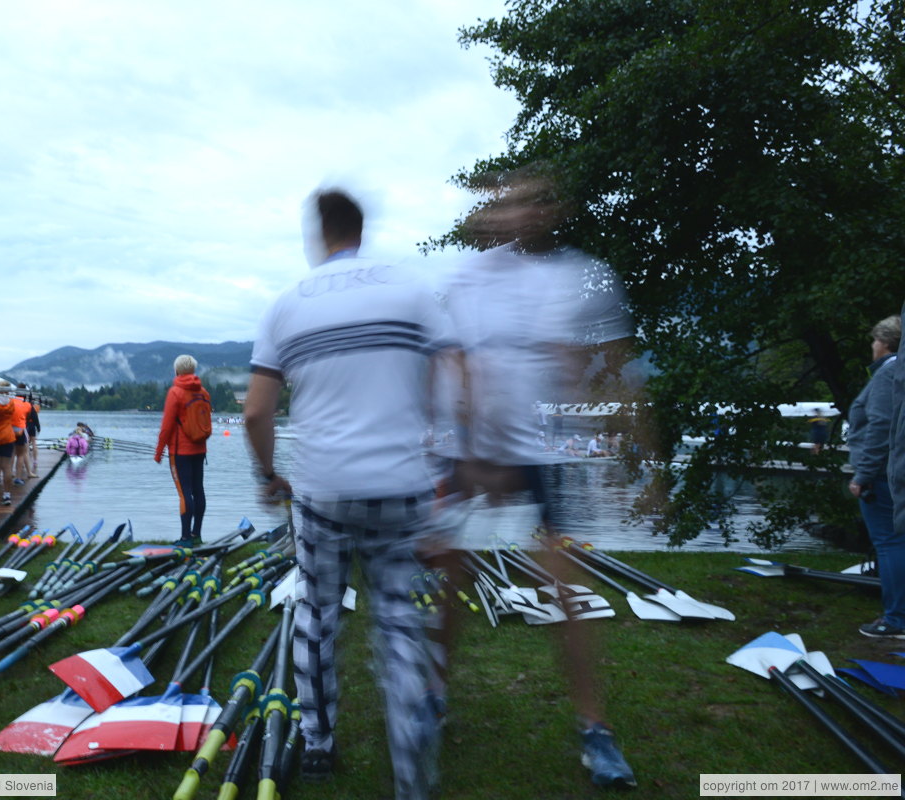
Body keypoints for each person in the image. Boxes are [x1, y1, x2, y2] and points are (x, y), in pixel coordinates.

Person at [245, 189, 451, 799]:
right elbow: (453, 383)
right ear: (361, 231)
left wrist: (267, 476)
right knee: (400, 623)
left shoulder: (286, 305)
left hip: (323, 489)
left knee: (318, 613)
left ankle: (317, 743)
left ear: (320, 234)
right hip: (403, 486)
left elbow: (258, 412)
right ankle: (412, 773)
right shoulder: (412, 289)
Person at [440, 164, 637, 788]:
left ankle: (595, 729)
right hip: (475, 448)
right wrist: (470, 444)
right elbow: (455, 361)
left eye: (529, 203)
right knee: (451, 567)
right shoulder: (470, 275)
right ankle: (432, 694)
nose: (517, 213)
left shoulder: (580, 276)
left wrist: (641, 458)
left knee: (564, 582)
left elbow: (612, 366)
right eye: (507, 203)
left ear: (551, 210)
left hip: (537, 454)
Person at [848, 315, 902, 637]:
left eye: (873, 340)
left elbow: (880, 427)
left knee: (890, 542)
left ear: (883, 342)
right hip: (894, 470)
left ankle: (897, 619)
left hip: (882, 474)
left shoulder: (888, 374)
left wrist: (863, 474)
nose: (872, 346)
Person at [155, 354, 210, 546]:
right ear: (193, 371)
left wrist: (159, 451)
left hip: (180, 452)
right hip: (200, 449)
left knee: (184, 492)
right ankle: (197, 534)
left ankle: (185, 538)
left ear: (177, 371)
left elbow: (167, 426)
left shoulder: (175, 392)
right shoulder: (203, 392)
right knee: (198, 490)